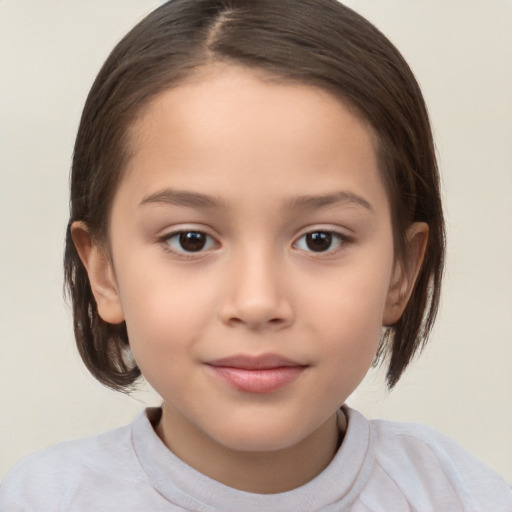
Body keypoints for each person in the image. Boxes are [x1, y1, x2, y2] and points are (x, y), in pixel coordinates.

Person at [1, 0, 510, 510]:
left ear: (401, 270)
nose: (257, 301)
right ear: (104, 271)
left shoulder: (458, 496)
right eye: (191, 240)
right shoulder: (43, 499)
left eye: (320, 240)